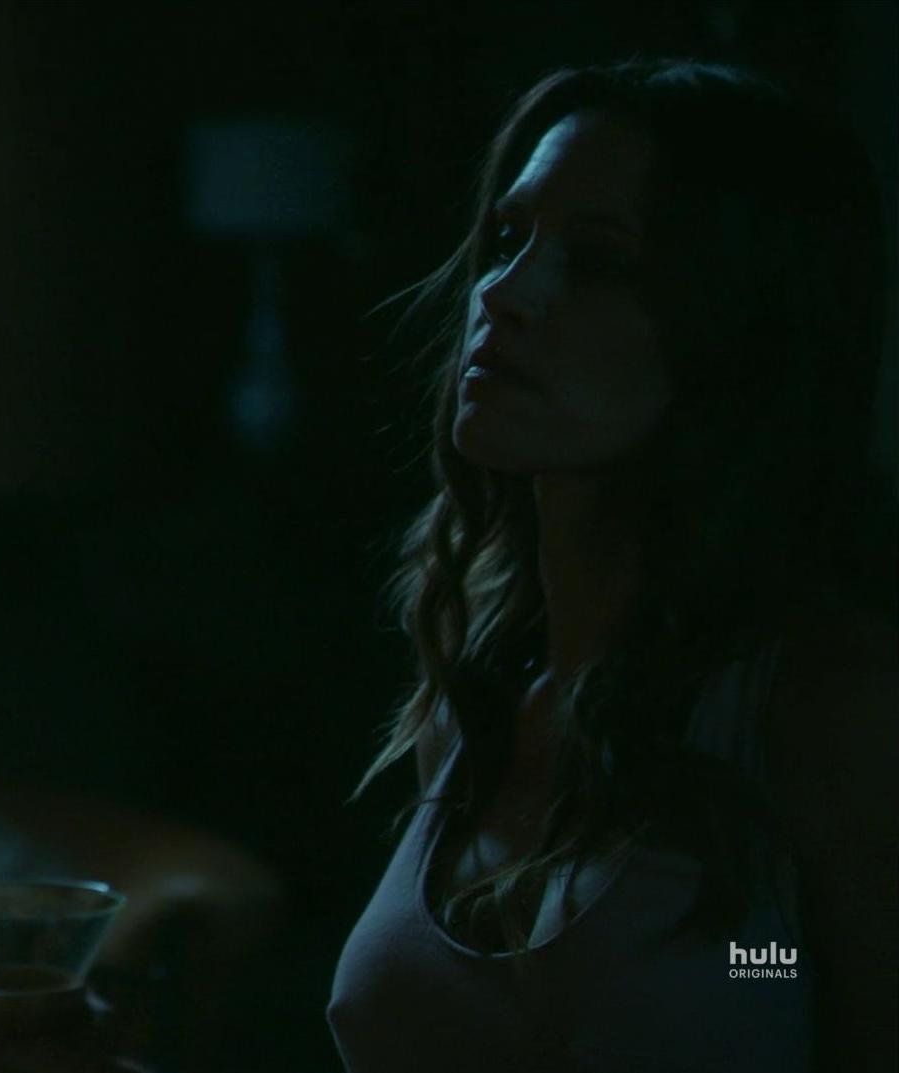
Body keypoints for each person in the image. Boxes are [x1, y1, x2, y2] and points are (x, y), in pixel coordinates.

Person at [326, 58, 897, 1072]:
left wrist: (749, 967)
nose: (502, 292)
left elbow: (797, 981)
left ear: (740, 327)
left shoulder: (825, 704)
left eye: (595, 262)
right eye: (509, 237)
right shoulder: (476, 693)